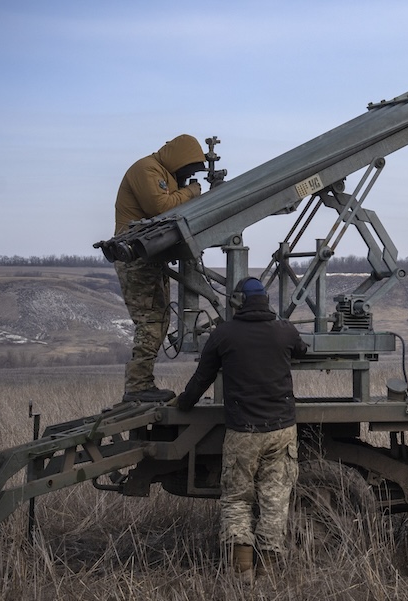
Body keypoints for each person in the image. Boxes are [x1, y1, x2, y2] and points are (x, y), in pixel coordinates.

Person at [175, 277, 308, 578]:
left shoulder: (224, 334)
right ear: (265, 300)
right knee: (275, 498)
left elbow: (202, 378)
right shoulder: (284, 330)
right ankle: (268, 572)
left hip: (243, 433)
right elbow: (302, 350)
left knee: (237, 499)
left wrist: (184, 403)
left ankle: (242, 572)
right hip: (281, 430)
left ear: (238, 302)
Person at [114, 134, 208, 402]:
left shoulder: (160, 172)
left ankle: (141, 384)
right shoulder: (146, 169)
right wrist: (191, 192)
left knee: (160, 319)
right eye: (185, 170)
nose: (185, 177)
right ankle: (137, 387)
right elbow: (160, 207)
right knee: (151, 321)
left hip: (147, 258)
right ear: (178, 160)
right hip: (135, 257)